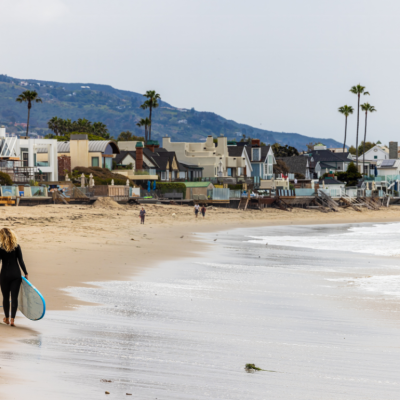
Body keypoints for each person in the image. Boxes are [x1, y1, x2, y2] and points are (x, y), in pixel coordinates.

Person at [0, 228, 28, 327]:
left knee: (6, 297)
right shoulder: (17, 247)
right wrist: (26, 273)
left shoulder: (0, 247)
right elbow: (21, 261)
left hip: (4, 275)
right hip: (16, 275)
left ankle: (6, 318)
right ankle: (12, 320)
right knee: (14, 297)